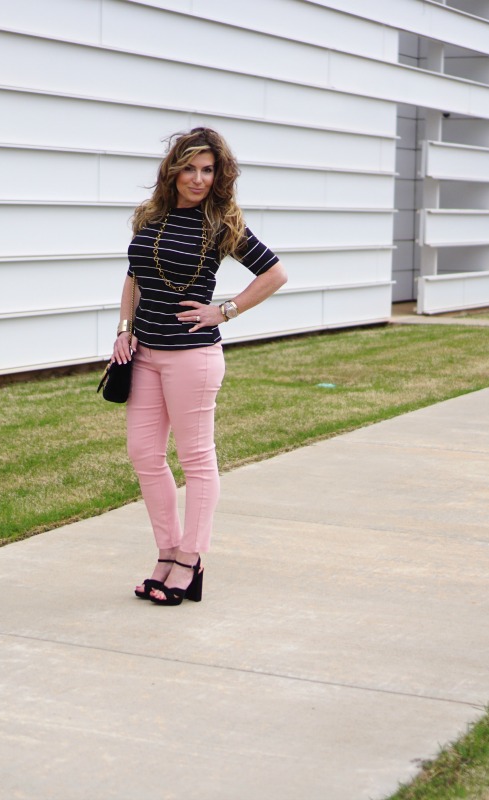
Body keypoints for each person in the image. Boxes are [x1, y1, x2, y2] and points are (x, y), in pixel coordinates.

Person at [111, 127, 287, 606]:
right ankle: (167, 552)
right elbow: (134, 275)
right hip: (145, 355)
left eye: (208, 170)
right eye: (189, 168)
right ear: (173, 170)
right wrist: (125, 329)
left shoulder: (221, 223)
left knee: (196, 459)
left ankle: (190, 560)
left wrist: (224, 310)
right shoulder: (151, 216)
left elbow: (275, 273)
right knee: (144, 455)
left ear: (218, 175)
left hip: (193, 357)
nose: (198, 178)